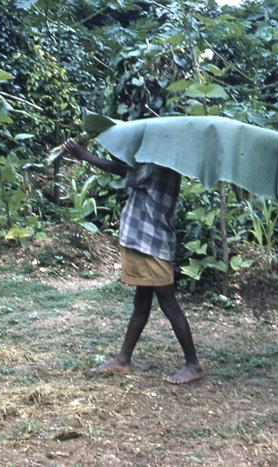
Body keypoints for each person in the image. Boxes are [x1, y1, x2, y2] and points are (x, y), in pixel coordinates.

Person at [61, 138, 205, 384]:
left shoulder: (156, 165)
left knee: (168, 303)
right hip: (146, 241)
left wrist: (85, 155)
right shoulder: (165, 162)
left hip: (151, 242)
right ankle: (123, 359)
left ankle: (193, 364)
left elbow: (123, 169)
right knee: (141, 301)